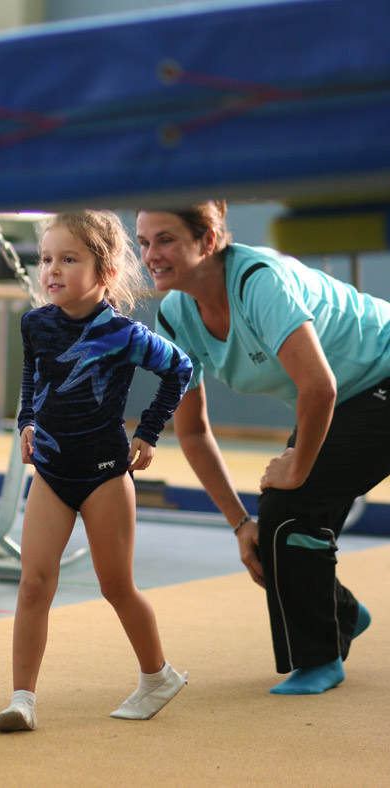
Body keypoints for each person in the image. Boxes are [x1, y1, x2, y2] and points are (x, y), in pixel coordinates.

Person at [136, 201, 386, 696]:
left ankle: (320, 660)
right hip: (341, 397)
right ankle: (341, 614)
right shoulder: (175, 316)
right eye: (144, 242)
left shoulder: (258, 281)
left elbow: (320, 388)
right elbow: (192, 431)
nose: (151, 255)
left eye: (165, 240)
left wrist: (296, 473)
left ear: (208, 241)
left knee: (290, 504)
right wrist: (239, 523)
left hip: (380, 374)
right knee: (271, 529)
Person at [0, 210, 193, 733]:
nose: (52, 270)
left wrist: (149, 430)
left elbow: (180, 368)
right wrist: (27, 420)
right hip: (52, 473)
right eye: (45, 259)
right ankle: (22, 699)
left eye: (68, 259)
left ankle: (158, 675)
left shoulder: (123, 334)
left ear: (105, 272)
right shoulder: (35, 323)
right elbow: (32, 375)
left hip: (105, 474)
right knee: (33, 584)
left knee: (116, 587)